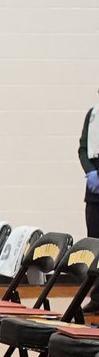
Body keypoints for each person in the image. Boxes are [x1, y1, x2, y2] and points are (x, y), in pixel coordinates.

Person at [78, 89, 99, 312]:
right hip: (95, 187)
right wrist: (90, 171)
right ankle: (97, 297)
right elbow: (83, 147)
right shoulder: (93, 114)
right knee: (96, 242)